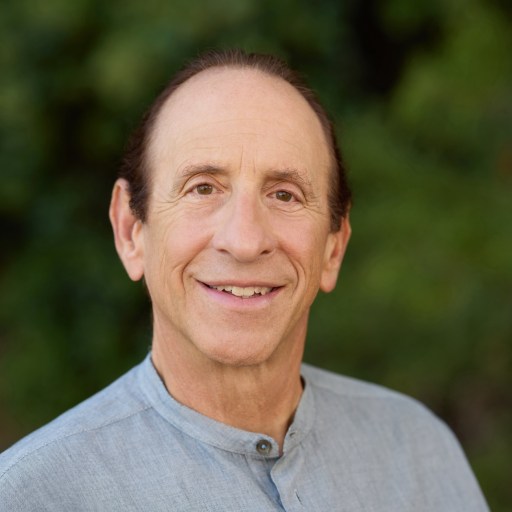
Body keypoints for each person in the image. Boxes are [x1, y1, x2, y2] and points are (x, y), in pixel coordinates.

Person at [0, 49, 488, 511]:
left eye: (285, 194)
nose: (245, 239)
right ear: (131, 231)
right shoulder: (36, 493)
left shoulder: (419, 452)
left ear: (333, 247)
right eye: (203, 187)